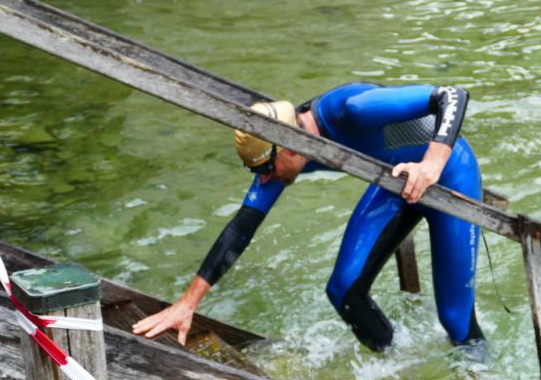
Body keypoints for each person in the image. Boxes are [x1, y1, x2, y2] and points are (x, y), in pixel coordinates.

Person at [132, 82, 486, 358]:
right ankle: (397, 363)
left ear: (288, 147)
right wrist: (187, 304)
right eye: (257, 171)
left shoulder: (351, 111)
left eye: (266, 169)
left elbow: (452, 96)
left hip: (449, 176)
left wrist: (431, 165)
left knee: (455, 319)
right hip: (396, 182)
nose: (264, 179)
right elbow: (242, 227)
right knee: (344, 291)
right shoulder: (284, 146)